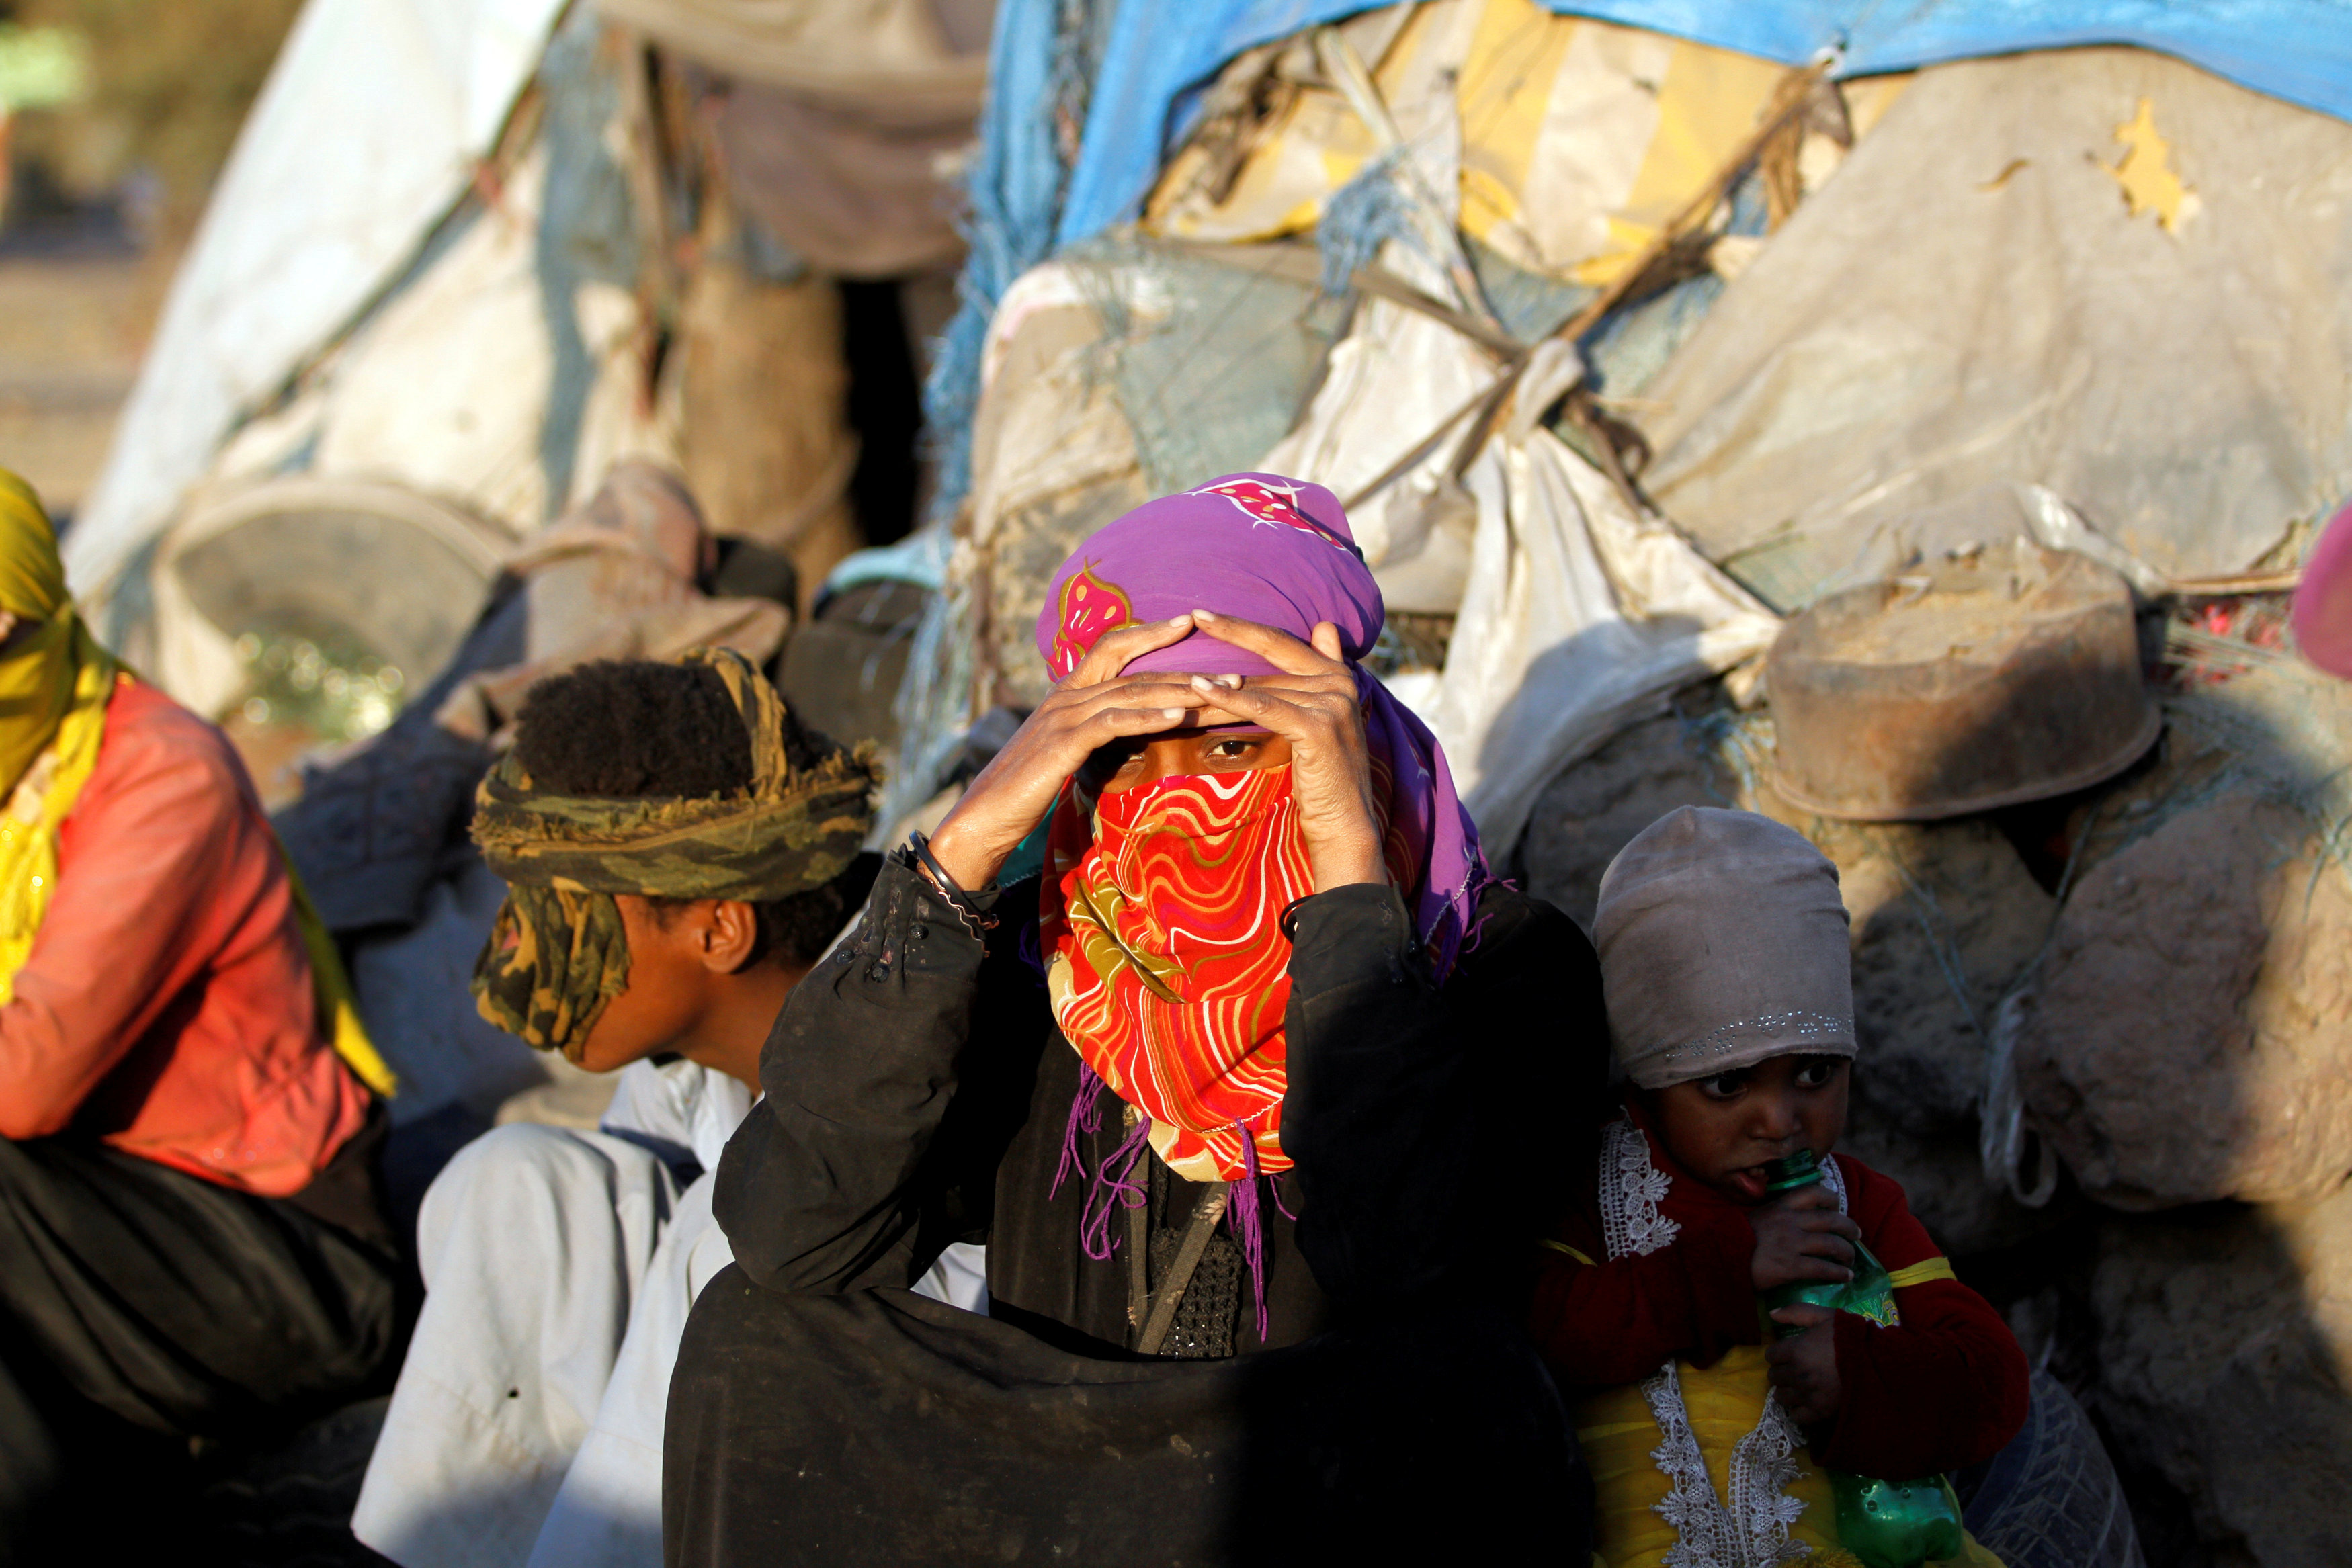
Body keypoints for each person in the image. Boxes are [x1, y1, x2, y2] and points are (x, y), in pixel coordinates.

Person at [665, 474, 1610, 1563]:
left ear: (1338, 730)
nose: (1174, 809)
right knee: (757, 1327)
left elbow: (1406, 1263)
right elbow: (798, 1231)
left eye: (1230, 744)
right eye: (1118, 750)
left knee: (1475, 1376)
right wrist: (958, 862)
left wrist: (1349, 889)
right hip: (1063, 1499)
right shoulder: (1049, 965)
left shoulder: (1495, 964)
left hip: (1315, 1506)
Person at [353, 650, 985, 1568]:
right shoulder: (692, 1059)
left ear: (718, 929)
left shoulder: (898, 1042)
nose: (519, 957)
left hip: (922, 1465)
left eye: (568, 915)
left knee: (720, 1232)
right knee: (519, 1180)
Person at [0, 471, 404, 1555]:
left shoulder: (158, 775)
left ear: (46, 625)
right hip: (102, 1216)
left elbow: (24, 1077)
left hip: (285, 1244)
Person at [1527, 805, 2031, 1567]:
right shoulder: (1590, 1196)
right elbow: (1543, 1338)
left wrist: (1859, 1374)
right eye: (1727, 1085)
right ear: (1647, 1082)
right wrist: (1731, 1267)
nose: (1780, 1119)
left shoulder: (1854, 1205)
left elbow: (1993, 1382)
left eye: (1815, 1071)